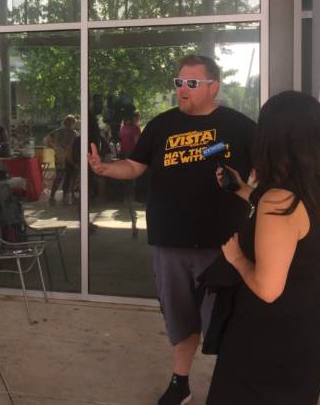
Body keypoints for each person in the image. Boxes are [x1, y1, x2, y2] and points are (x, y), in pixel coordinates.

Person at [88, 54, 255, 405]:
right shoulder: (162, 125)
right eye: (179, 82)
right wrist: (105, 169)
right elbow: (134, 166)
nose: (182, 89)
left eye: (192, 83)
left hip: (223, 246)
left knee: (226, 322)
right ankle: (181, 383)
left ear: (213, 87)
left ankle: (232, 387)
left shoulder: (240, 127)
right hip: (171, 244)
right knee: (179, 320)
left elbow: (263, 173)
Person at [206, 91, 320, 405]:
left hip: (270, 334)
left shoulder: (279, 201)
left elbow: (268, 289)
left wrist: (237, 259)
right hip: (314, 322)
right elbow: (293, 223)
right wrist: (243, 189)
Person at [44, 115, 78, 206]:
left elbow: (46, 141)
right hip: (68, 158)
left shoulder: (57, 131)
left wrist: (55, 148)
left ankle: (52, 197)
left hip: (60, 157)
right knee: (67, 177)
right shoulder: (73, 133)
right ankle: (64, 198)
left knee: (59, 177)